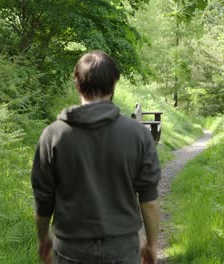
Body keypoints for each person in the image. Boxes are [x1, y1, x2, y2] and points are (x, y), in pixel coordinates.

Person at [31, 50, 161, 264]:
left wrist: (43, 240)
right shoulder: (138, 134)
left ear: (77, 83)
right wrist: (152, 245)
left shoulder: (53, 135)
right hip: (122, 249)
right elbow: (149, 201)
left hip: (70, 248)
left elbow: (43, 201)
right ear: (114, 83)